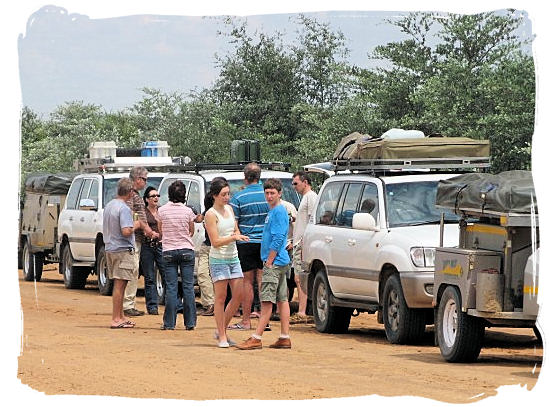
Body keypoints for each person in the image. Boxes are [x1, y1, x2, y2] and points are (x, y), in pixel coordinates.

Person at [236, 178, 291, 350]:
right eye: (267, 193)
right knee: (282, 299)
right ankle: (284, 336)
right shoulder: (274, 211)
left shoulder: (278, 212)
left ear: (279, 193)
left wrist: (269, 260)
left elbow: (279, 237)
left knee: (267, 300)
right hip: (279, 261)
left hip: (274, 262)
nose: (269, 196)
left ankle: (257, 337)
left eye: (272, 193)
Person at [204, 178, 249, 347]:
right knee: (221, 298)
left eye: (228, 194)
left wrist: (238, 235)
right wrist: (233, 237)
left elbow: (235, 228)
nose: (227, 197)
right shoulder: (210, 214)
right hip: (218, 259)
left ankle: (221, 329)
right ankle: (222, 335)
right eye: (223, 194)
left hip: (233, 257)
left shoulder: (230, 209)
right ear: (215, 195)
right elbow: (215, 241)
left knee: (238, 295)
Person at [228, 163, 269, 330]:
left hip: (245, 242)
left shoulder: (238, 198)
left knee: (247, 281)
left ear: (245, 177)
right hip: (265, 243)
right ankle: (264, 320)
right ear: (259, 177)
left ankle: (246, 320)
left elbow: (234, 223)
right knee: (262, 281)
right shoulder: (268, 195)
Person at [158, 181, 196, 330]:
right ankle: (190, 322)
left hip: (168, 251)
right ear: (184, 195)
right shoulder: (187, 211)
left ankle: (169, 323)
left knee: (172, 288)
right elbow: (191, 231)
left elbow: (161, 231)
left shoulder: (162, 211)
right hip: (186, 249)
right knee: (188, 287)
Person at [123, 167, 159, 317]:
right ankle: (128, 305)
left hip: (132, 239)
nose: (145, 182)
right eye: (144, 179)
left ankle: (128, 303)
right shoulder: (132, 195)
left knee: (132, 271)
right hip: (132, 239)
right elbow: (130, 216)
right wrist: (144, 228)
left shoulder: (131, 194)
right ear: (138, 179)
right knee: (131, 271)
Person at [104, 178, 138, 329]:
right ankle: (116, 318)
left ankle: (120, 316)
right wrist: (136, 225)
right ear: (130, 192)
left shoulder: (109, 205)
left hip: (110, 248)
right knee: (120, 285)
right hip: (122, 250)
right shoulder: (123, 208)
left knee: (120, 285)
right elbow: (126, 231)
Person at [290, 171, 318, 324]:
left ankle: (302, 311)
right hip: (299, 242)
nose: (294, 186)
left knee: (300, 277)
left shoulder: (311, 197)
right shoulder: (305, 198)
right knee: (298, 277)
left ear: (305, 182)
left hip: (303, 243)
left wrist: (303, 241)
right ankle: (302, 309)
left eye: (296, 183)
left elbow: (312, 221)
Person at [140, 186, 165, 315]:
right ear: (146, 199)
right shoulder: (143, 213)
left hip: (161, 246)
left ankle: (174, 304)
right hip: (147, 246)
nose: (156, 198)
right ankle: (152, 306)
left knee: (166, 275)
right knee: (149, 277)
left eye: (157, 196)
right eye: (153, 196)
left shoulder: (162, 211)